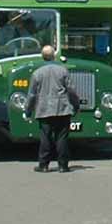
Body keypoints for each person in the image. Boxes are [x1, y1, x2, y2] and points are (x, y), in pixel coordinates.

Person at [24, 45, 79, 173]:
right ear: (54, 55)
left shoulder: (37, 73)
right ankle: (63, 165)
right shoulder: (63, 71)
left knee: (45, 137)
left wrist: (28, 110)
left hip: (44, 109)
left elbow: (32, 94)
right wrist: (75, 105)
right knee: (62, 137)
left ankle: (43, 165)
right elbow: (71, 91)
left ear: (42, 57)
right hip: (62, 108)